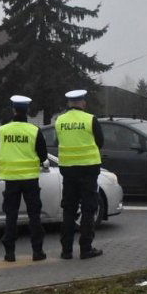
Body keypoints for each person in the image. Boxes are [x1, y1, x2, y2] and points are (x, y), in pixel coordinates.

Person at [0, 95, 48, 262]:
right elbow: (43, 155)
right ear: (27, 111)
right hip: (30, 179)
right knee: (34, 216)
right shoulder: (34, 131)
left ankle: (9, 253)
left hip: (11, 179)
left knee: (11, 216)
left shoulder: (2, 130)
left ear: (13, 110)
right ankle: (37, 252)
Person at [54, 89, 105, 260]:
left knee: (68, 209)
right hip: (88, 170)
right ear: (83, 103)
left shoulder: (59, 121)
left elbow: (58, 141)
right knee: (88, 209)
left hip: (68, 170)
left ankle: (66, 250)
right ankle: (86, 248)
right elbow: (100, 142)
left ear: (69, 103)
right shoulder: (90, 119)